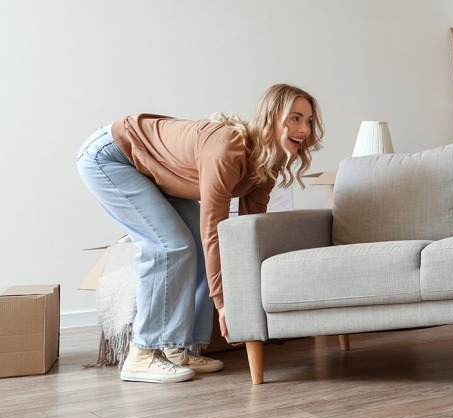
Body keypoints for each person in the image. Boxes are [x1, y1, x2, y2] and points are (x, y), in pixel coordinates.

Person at [76, 84, 324, 383]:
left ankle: (178, 347)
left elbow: (243, 235)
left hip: (157, 171)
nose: (305, 129)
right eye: (295, 118)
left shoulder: (268, 162)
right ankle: (142, 353)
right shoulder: (227, 148)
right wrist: (223, 304)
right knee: (171, 245)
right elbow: (214, 230)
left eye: (309, 121)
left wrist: (245, 296)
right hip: (113, 157)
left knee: (197, 244)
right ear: (271, 117)